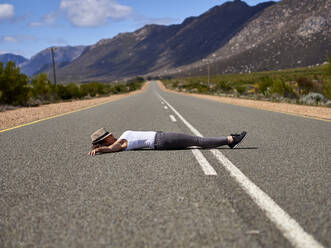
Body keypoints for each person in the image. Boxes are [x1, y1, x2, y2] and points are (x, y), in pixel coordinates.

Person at [88, 128, 247, 156]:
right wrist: (102, 149)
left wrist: (103, 148)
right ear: (105, 140)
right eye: (108, 135)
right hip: (161, 140)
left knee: (197, 141)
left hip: (161, 139)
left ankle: (230, 139)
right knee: (198, 140)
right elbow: (113, 148)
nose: (112, 134)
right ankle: (231, 139)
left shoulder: (121, 140)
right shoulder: (121, 142)